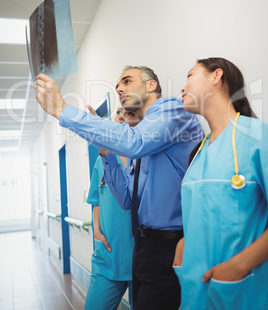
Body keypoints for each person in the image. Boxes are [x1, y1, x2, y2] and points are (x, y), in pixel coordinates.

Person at [35, 65, 203, 310]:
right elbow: (126, 199)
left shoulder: (173, 110)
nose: (120, 89)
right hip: (143, 246)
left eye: (126, 81)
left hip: (172, 244)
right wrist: (106, 153)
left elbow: (134, 142)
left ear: (151, 85)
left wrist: (64, 110)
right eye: (117, 87)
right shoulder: (139, 136)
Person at [173, 57, 268, 310]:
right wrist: (184, 243)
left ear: (217, 76)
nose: (182, 87)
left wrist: (238, 266)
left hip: (240, 290)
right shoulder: (199, 150)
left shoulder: (258, 137)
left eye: (190, 76)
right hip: (195, 291)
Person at [85, 107, 142, 310]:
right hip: (108, 255)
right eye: (118, 113)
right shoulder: (102, 160)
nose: (121, 117)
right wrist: (97, 232)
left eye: (128, 114)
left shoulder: (143, 157)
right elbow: (96, 201)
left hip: (139, 256)